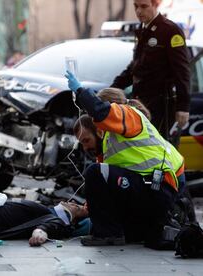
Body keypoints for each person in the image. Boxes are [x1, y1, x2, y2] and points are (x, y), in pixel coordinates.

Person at [66, 71, 186, 249]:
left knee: (94, 171)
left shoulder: (130, 114)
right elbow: (105, 189)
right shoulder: (110, 141)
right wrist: (85, 209)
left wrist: (81, 92)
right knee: (136, 234)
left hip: (158, 187)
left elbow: (100, 111)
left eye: (86, 141)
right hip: (153, 188)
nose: (96, 122)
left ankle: (108, 235)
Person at [111, 0, 190, 146]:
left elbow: (182, 72)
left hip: (161, 105)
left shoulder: (170, 30)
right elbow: (135, 68)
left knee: (158, 151)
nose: (139, 11)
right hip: (141, 103)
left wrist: (182, 107)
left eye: (144, 6)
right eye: (136, 6)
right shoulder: (143, 30)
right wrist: (114, 87)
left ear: (156, 5)